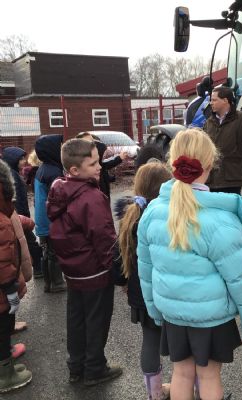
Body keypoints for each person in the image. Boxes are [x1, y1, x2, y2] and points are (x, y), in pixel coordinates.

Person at [137, 128, 242, 400]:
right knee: (208, 376)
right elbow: (241, 281)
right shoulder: (220, 220)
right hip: (211, 317)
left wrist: (155, 310)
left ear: (172, 163)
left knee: (181, 373)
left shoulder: (152, 212)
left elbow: (145, 270)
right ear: (209, 165)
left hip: (172, 314)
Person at [47, 138, 122, 386]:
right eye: (93, 164)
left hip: (74, 272)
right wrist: (116, 267)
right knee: (96, 320)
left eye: (99, 161)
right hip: (95, 272)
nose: (99, 167)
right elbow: (104, 237)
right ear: (75, 170)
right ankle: (95, 368)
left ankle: (76, 366)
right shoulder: (91, 197)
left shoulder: (60, 191)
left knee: (77, 319)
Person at [113, 161, 172, 400]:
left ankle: (154, 394)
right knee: (185, 344)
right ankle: (191, 387)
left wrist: (124, 283)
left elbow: (118, 259)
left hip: (141, 296)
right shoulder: (168, 219)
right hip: (169, 294)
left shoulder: (130, 217)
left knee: (150, 342)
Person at [0, 159, 32, 393]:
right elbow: (2, 261)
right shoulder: (1, 222)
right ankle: (5, 375)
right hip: (2, 291)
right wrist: (10, 288)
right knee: (2, 331)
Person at [1, 147, 43, 279]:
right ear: (13, 160)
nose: (24, 161)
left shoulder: (14, 173)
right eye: (20, 159)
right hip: (19, 217)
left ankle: (36, 268)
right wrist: (23, 217)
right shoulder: (12, 175)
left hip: (20, 216)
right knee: (30, 243)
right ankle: (37, 268)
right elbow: (16, 200)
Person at [34, 134, 66, 292]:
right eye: (59, 147)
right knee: (55, 252)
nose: (61, 150)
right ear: (51, 150)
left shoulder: (43, 168)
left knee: (47, 251)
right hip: (51, 220)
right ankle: (57, 283)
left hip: (43, 219)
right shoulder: (54, 171)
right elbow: (58, 200)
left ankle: (48, 283)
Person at [75, 132, 128, 199]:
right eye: (89, 143)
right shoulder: (82, 164)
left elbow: (104, 165)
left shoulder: (96, 162)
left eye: (93, 141)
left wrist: (119, 158)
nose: (93, 144)